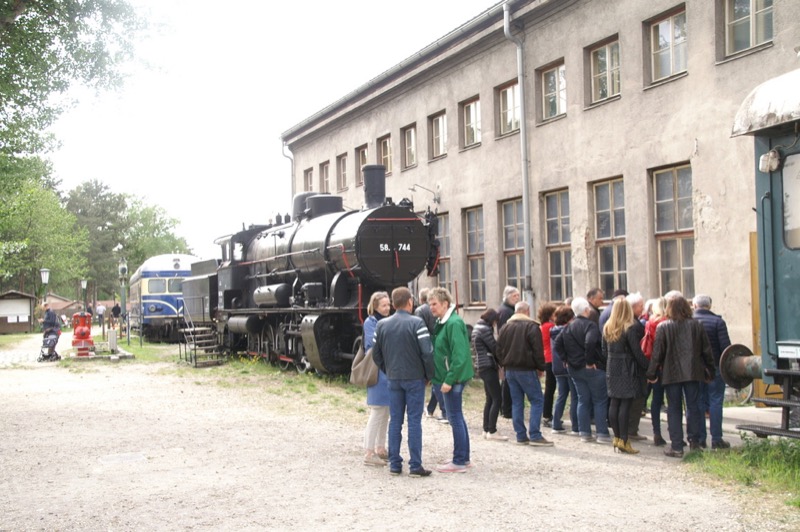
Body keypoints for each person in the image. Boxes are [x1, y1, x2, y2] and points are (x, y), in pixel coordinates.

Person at [372, 287, 435, 477]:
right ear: (410, 302)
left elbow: (376, 354)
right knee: (414, 421)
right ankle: (415, 465)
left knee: (395, 421)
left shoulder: (381, 325)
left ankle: (395, 464)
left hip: (393, 378)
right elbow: (427, 352)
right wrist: (429, 375)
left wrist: (388, 369)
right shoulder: (417, 323)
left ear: (392, 304)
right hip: (415, 378)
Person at [646, 296, 715, 458]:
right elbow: (706, 350)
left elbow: (657, 353)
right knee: (693, 407)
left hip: (671, 373)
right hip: (693, 371)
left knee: (674, 408)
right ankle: (695, 443)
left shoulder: (664, 327)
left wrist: (651, 373)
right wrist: (710, 369)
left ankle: (677, 446)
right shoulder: (696, 325)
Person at [428, 287, 475, 473]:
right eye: (430, 304)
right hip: (447, 377)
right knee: (457, 416)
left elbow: (459, 355)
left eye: (434, 304)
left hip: (451, 379)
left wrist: (449, 379)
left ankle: (459, 461)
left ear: (445, 304)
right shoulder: (444, 322)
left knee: (454, 417)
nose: (431, 307)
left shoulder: (453, 323)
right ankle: (463, 457)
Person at [496, 301, 554, 447]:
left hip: (510, 370)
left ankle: (520, 435)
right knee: (537, 400)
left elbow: (498, 349)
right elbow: (537, 350)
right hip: (526, 369)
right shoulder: (531, 326)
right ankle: (535, 434)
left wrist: (504, 364)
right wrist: (541, 367)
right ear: (527, 311)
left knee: (517, 402)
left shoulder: (505, 327)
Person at [555, 297, 612, 444]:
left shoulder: (568, 326)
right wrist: (590, 361)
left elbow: (557, 344)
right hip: (592, 368)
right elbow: (590, 341)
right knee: (599, 401)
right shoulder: (590, 325)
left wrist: (565, 359)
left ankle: (584, 432)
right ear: (587, 310)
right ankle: (602, 433)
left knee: (583, 400)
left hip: (574, 368)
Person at [602, 298, 649, 454]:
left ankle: (616, 438)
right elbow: (637, 352)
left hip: (612, 367)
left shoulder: (607, 327)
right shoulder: (630, 328)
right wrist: (649, 367)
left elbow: (604, 351)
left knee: (614, 402)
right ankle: (624, 439)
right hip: (627, 368)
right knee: (625, 404)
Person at [692, 294, 732, 450]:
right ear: (709, 306)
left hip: (695, 369)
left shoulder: (690, 322)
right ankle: (717, 439)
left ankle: (701, 439)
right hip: (715, 367)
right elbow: (726, 347)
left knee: (699, 403)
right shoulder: (718, 322)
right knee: (715, 402)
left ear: (695, 306)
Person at [362, 291, 391, 467]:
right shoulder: (370, 322)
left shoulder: (386, 321)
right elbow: (374, 346)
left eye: (388, 305)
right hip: (377, 371)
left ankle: (380, 447)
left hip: (387, 371)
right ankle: (369, 451)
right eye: (383, 305)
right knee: (377, 411)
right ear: (375, 306)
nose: (387, 308)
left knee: (385, 411)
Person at [471, 308, 506, 441]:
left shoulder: (477, 327)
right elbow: (494, 347)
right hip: (487, 365)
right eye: (496, 321)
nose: (496, 324)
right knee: (497, 398)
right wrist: (503, 361)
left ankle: (486, 429)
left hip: (481, 366)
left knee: (490, 398)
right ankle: (492, 430)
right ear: (492, 319)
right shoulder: (485, 329)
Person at [416, 288, 445, 422]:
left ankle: (444, 410)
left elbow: (419, 330)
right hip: (440, 345)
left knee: (435, 379)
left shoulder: (420, 311)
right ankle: (431, 408)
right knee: (437, 377)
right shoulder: (438, 310)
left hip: (428, 346)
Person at [550, 305, 578, 435]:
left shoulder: (553, 330)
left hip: (557, 367)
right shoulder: (568, 331)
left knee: (561, 395)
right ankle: (576, 426)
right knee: (575, 396)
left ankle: (556, 424)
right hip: (568, 365)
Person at [497, 286, 521, 419]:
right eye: (514, 296)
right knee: (507, 380)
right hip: (508, 348)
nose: (517, 298)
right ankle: (506, 408)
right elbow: (504, 331)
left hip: (507, 348)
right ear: (507, 297)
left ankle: (505, 407)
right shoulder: (506, 311)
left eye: (518, 296)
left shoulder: (508, 309)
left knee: (507, 380)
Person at [537, 302, 558, 428]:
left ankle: (547, 414)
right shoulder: (550, 326)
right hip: (551, 358)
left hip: (545, 357)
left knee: (549, 388)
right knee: (551, 388)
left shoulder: (542, 326)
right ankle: (547, 415)